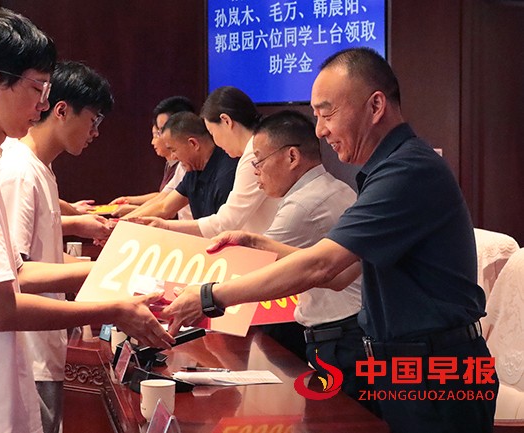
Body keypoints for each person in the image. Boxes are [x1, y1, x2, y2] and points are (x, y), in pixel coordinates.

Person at [161, 47, 497, 433]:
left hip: (436, 372)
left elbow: (322, 265)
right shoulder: (386, 170)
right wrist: (261, 243)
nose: (320, 130)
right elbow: (339, 276)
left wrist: (210, 296)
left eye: (327, 113)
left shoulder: (407, 170)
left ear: (375, 106)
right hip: (405, 367)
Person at [0, 9, 173, 432]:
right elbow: (2, 310)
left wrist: (108, 272)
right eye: (37, 88)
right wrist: (114, 307)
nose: (43, 104)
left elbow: (13, 272)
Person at [0, 60, 113, 433]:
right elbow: (15, 273)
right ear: (61, 110)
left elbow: (42, 256)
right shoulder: (19, 171)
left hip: (43, 347)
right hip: (28, 352)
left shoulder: (40, 168)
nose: (95, 132)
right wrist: (107, 272)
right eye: (93, 120)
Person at [231, 109, 367, 404]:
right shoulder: (332, 188)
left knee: (340, 420)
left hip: (341, 337)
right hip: (348, 330)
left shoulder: (304, 206)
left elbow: (257, 273)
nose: (255, 171)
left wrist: (204, 297)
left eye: (259, 160)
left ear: (292, 157)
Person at [130, 86, 279, 237]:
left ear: (226, 121)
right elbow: (164, 204)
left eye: (212, 132)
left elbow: (226, 222)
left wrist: (167, 226)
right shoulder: (248, 153)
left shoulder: (253, 154)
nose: (215, 141)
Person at [129, 111, 238, 219]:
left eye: (173, 150)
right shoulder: (193, 170)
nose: (173, 157)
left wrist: (167, 226)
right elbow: (164, 207)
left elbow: (219, 226)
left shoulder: (227, 175)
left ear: (193, 143)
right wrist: (123, 221)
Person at [110, 96, 195, 219]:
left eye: (160, 132)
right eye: (158, 132)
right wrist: (124, 216)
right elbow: (162, 198)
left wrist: (127, 216)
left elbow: (165, 209)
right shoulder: (181, 166)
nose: (159, 138)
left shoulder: (193, 164)